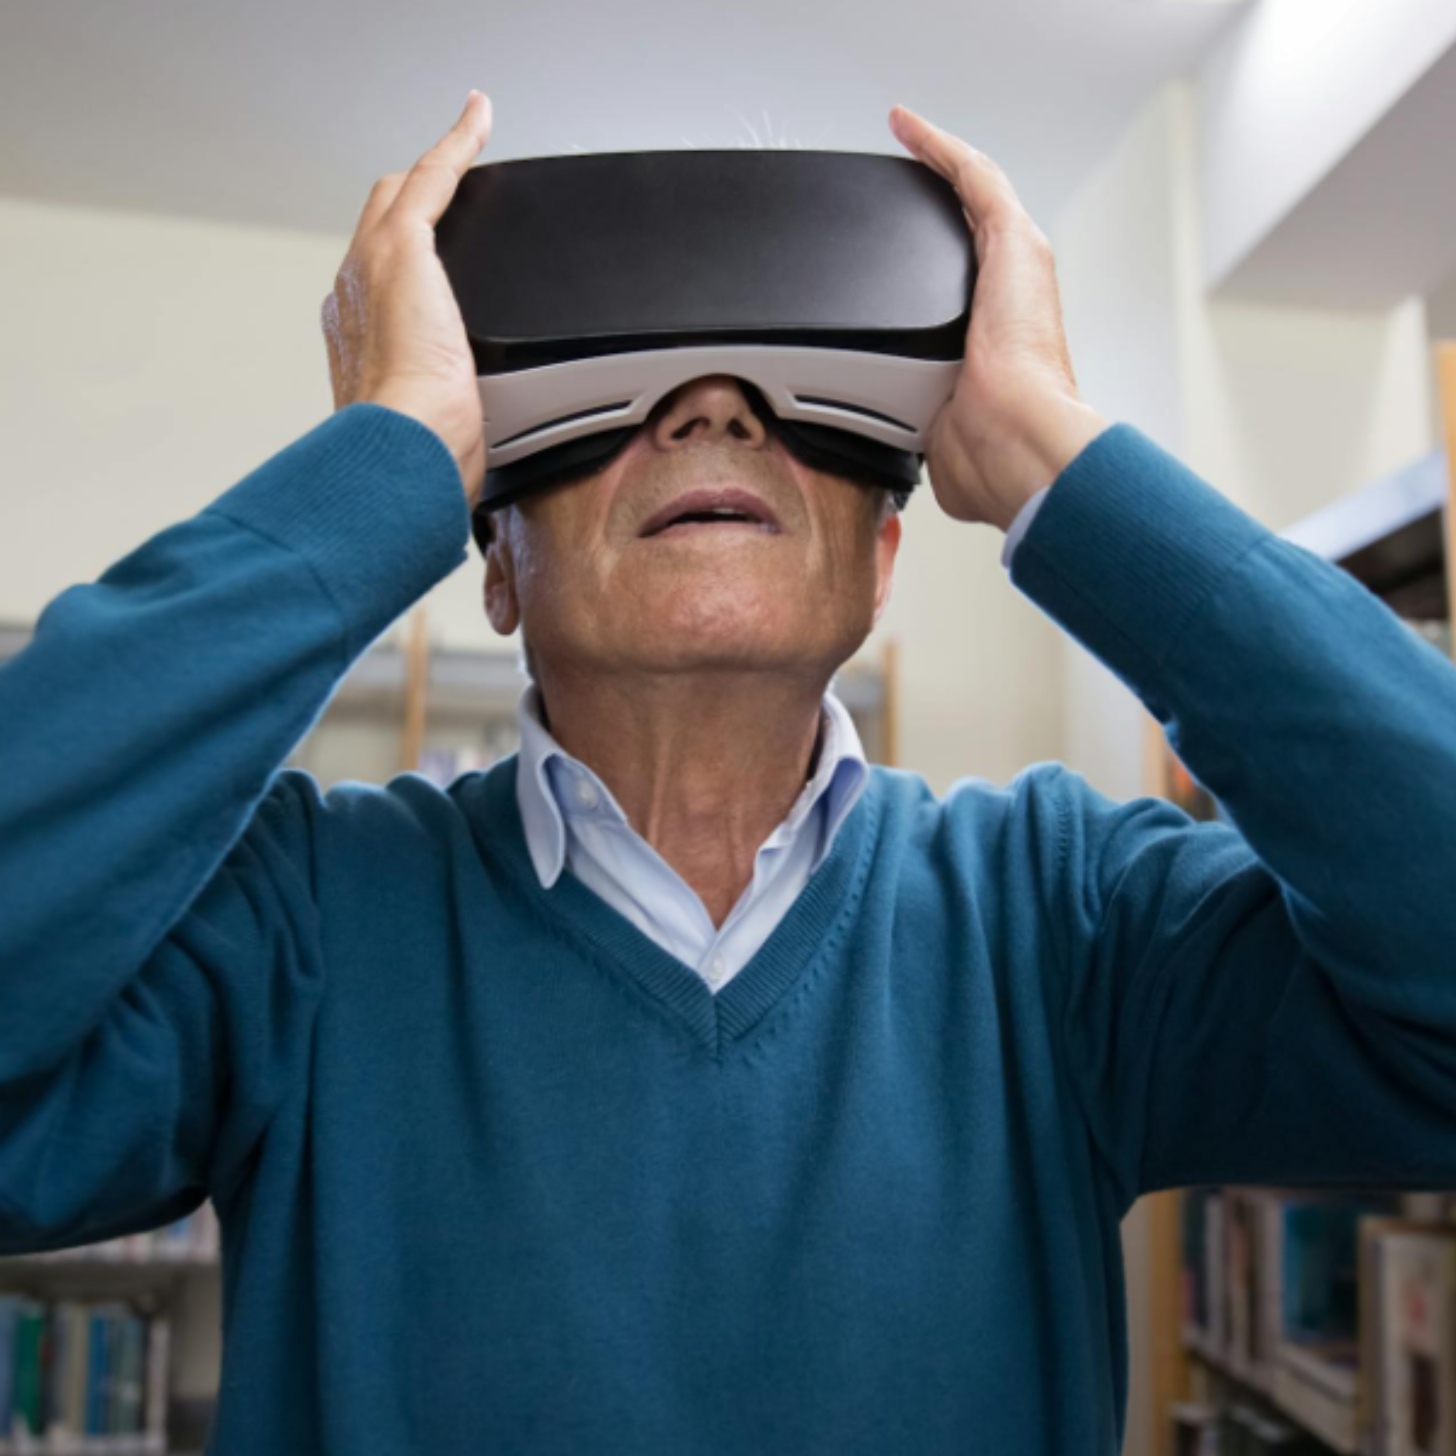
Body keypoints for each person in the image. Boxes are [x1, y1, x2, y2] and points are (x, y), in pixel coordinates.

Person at [2, 90, 1453, 1456]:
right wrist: (379, 464)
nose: (712, 410)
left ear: (883, 565)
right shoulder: (298, 927)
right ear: (490, 562)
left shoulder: (1067, 925)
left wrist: (1052, 460)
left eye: (790, 389)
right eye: (624, 387)